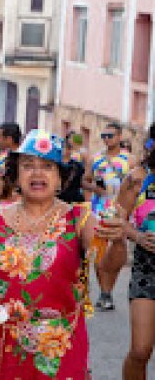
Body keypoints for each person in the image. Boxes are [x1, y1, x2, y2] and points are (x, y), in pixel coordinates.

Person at [0, 129, 127, 378]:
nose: (37, 173)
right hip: (7, 344)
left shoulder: (79, 219)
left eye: (48, 167)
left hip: (62, 347)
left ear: (61, 179)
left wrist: (118, 242)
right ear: (16, 176)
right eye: (28, 166)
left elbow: (107, 268)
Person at [112, 124, 155, 379]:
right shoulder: (138, 177)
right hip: (146, 270)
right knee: (140, 350)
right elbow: (116, 218)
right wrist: (137, 235)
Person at [86, 122, 130, 311]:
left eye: (110, 136)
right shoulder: (96, 158)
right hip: (99, 209)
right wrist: (94, 188)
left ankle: (109, 288)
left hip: (121, 210)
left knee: (117, 251)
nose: (106, 139)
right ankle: (105, 293)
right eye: (103, 136)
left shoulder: (130, 160)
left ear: (120, 137)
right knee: (99, 250)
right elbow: (85, 180)